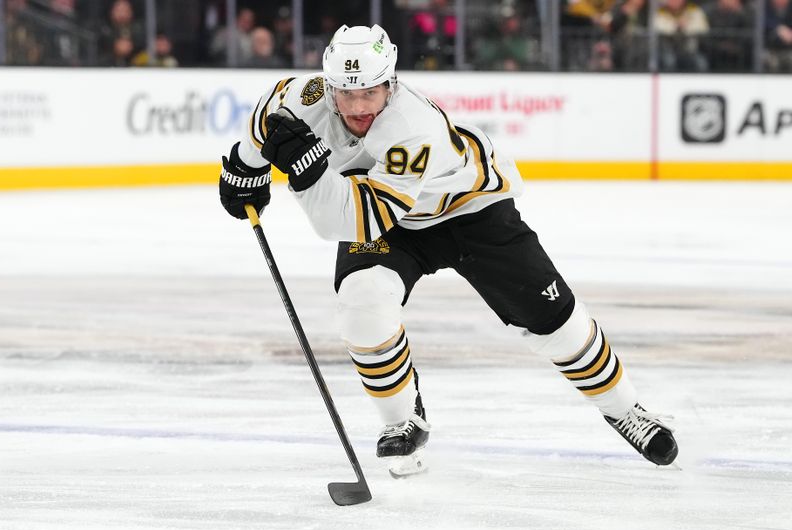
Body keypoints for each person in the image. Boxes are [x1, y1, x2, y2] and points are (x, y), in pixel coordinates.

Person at [218, 24, 679, 476]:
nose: (358, 107)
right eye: (347, 93)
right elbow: (263, 127)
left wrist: (308, 175)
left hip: (469, 209)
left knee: (557, 323)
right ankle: (403, 421)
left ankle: (626, 410)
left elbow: (346, 220)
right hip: (393, 221)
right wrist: (244, 168)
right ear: (329, 85)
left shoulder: (412, 126)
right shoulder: (300, 99)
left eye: (371, 93)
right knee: (362, 303)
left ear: (391, 84)